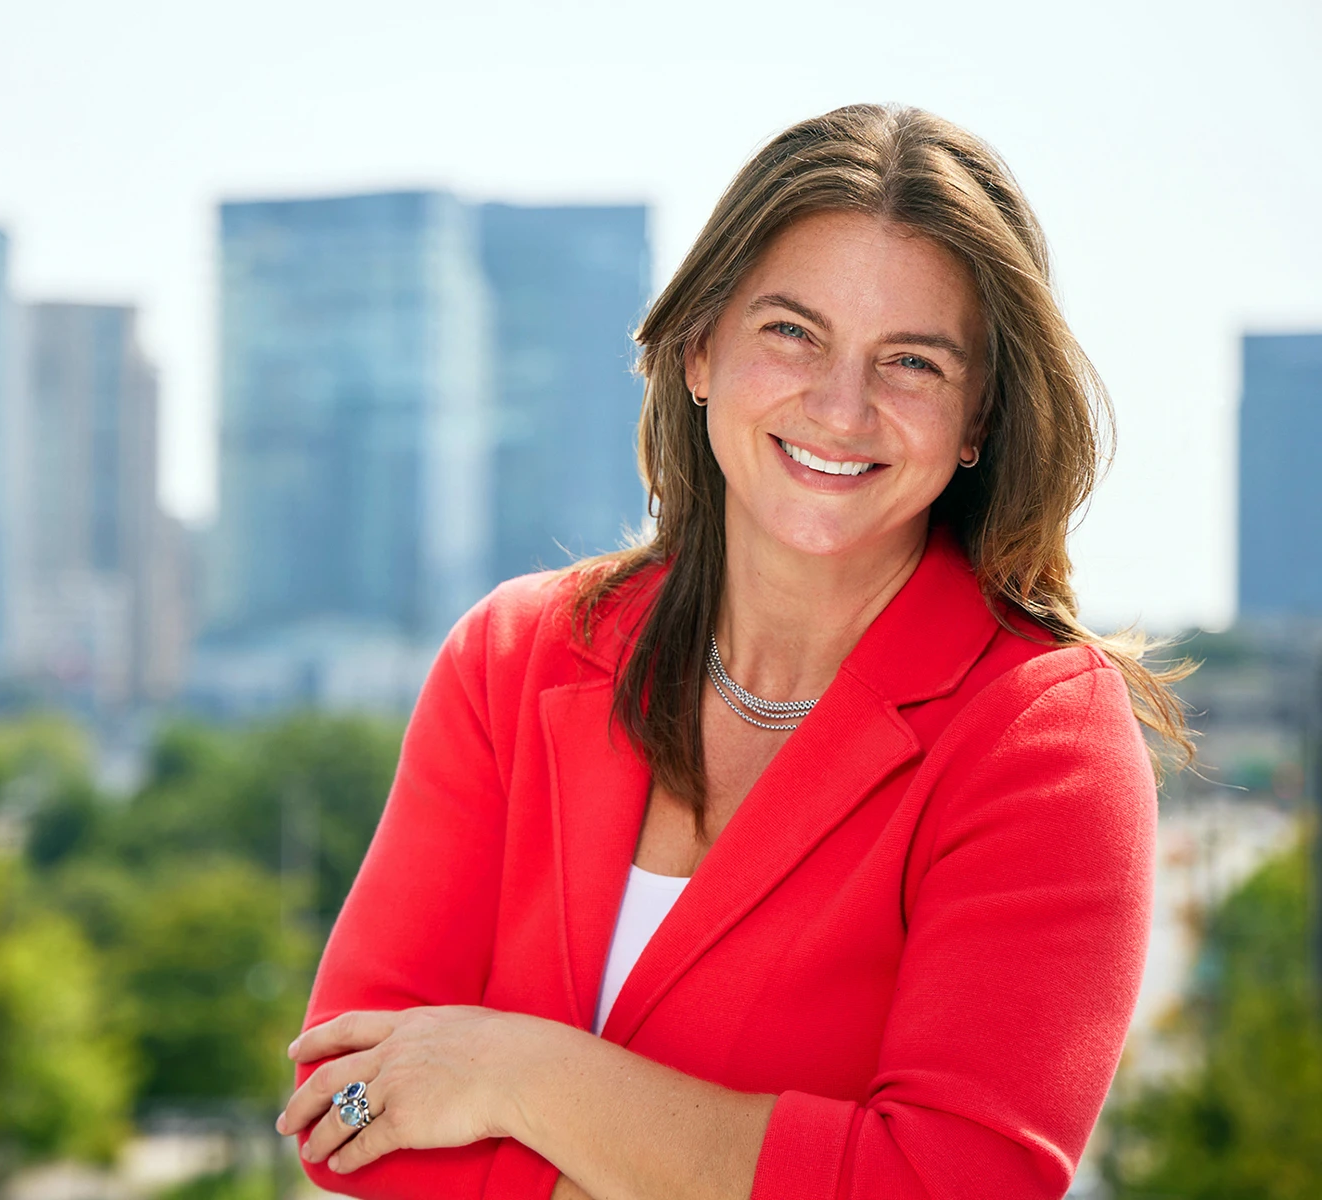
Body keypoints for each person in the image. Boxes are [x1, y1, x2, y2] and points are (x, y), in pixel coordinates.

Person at [272, 102, 1191, 1200]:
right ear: (701, 347)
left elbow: (953, 1183)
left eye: (913, 363)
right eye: (792, 333)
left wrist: (514, 1074)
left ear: (980, 417)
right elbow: (341, 1109)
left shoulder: (1042, 741)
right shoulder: (514, 659)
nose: (841, 408)